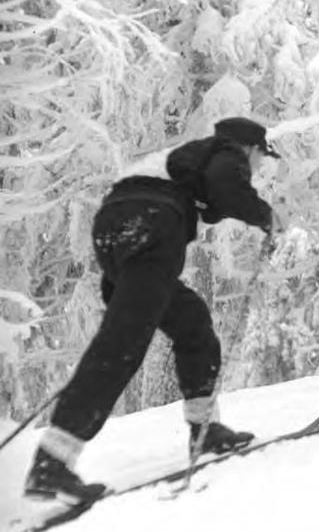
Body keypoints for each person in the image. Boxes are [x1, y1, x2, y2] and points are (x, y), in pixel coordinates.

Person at [24, 117, 286, 504]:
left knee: (191, 322)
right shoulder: (227, 151)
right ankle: (52, 463)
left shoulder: (184, 159)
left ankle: (205, 430)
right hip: (151, 223)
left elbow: (211, 191)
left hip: (117, 228)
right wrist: (267, 217)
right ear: (252, 148)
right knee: (122, 345)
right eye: (263, 157)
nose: (261, 166)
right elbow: (228, 187)